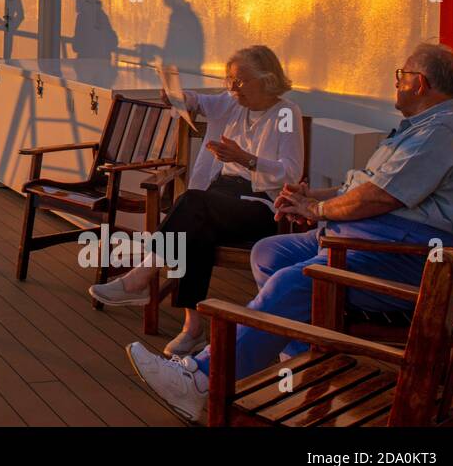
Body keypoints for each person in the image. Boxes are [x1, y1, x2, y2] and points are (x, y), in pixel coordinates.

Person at [127, 43, 453, 423]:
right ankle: (301, 352)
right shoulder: (427, 127)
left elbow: (378, 197)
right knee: (269, 253)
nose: (395, 81)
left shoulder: (441, 132)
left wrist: (317, 210)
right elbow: (367, 185)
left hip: (405, 254)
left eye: (401, 75)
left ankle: (198, 380)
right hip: (368, 236)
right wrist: (315, 196)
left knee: (293, 283)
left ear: (420, 83)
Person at [89, 46, 304, 358]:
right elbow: (199, 101)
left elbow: (292, 173)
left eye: (240, 82)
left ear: (267, 79)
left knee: (193, 205)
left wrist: (249, 160)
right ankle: (192, 329)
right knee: (195, 228)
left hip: (260, 204)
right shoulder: (233, 104)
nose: (232, 88)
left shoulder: (285, 113)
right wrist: (179, 98)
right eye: (230, 81)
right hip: (219, 198)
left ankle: (143, 275)